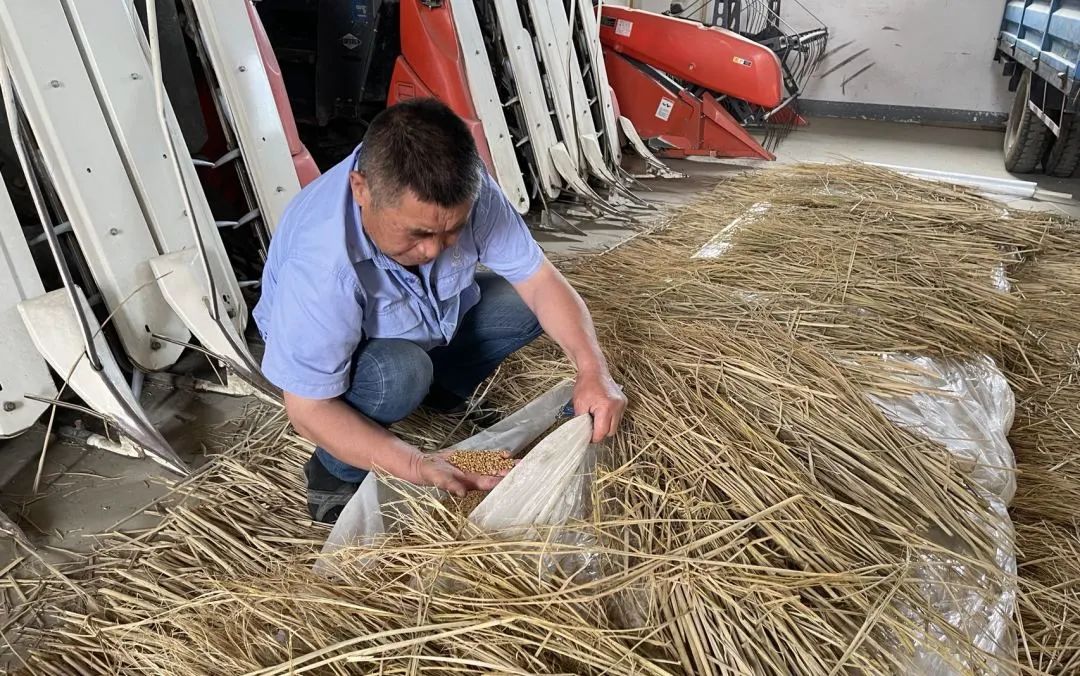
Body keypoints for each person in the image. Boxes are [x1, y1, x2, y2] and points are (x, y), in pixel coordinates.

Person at [254, 98, 626, 524]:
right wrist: (417, 465)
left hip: (422, 317)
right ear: (361, 189)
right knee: (400, 372)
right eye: (418, 234)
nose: (433, 251)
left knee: (521, 305)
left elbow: (540, 280)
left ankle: (438, 393)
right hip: (355, 352)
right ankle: (333, 471)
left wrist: (593, 370)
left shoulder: (466, 189)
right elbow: (308, 408)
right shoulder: (320, 264)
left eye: (453, 231)